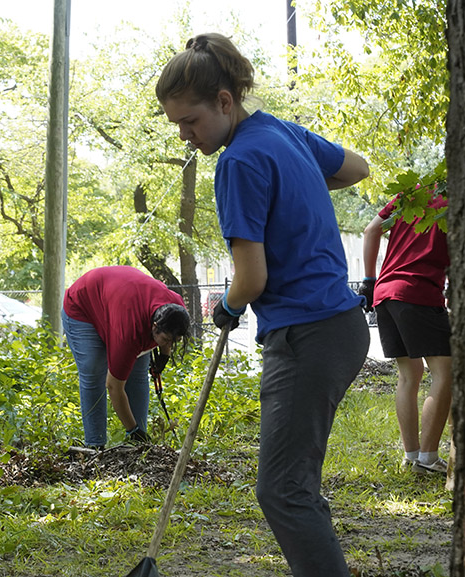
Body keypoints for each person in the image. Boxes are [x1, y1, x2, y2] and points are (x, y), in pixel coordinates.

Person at [157, 33, 370, 577]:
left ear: (225, 101)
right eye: (176, 124)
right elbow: (356, 167)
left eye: (191, 121)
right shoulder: (283, 135)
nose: (185, 135)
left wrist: (224, 306)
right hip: (341, 327)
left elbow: (251, 279)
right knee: (294, 483)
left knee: (282, 490)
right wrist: (296, 184)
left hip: (306, 335)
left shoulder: (237, 163)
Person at [359, 191, 450, 474]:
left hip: (384, 294)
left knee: (409, 375)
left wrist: (369, 278)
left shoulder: (412, 194)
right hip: (418, 291)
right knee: (446, 371)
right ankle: (428, 458)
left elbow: (372, 228)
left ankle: (411, 456)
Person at [62, 266, 190, 449]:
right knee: (94, 370)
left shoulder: (176, 309)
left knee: (137, 376)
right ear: (154, 326)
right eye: (166, 340)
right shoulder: (128, 332)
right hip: (83, 307)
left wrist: (164, 357)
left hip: (121, 300)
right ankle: (95, 444)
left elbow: (171, 333)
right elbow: (113, 386)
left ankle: (137, 446)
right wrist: (132, 429)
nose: (168, 343)